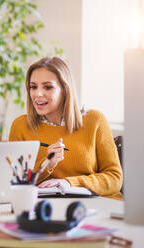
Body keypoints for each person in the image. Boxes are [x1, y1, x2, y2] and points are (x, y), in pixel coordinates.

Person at [9, 57, 122, 200]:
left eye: (47, 87)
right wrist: (46, 164)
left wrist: (69, 183)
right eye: (33, 87)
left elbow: (115, 179)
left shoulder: (95, 120)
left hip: (98, 205)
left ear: (65, 90)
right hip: (46, 208)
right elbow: (15, 184)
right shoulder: (20, 126)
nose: (37, 94)